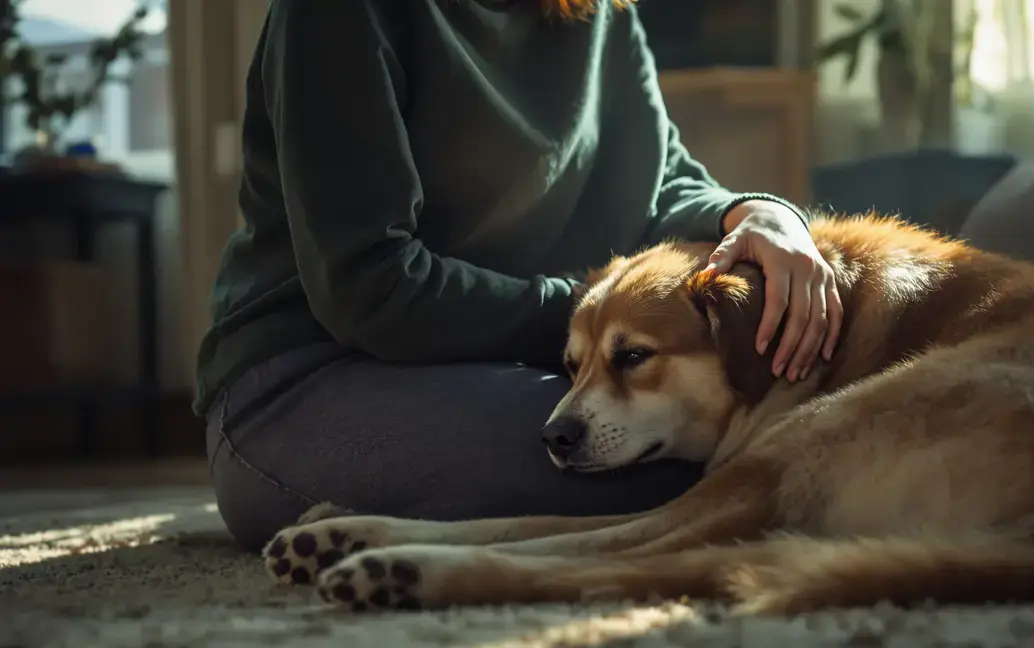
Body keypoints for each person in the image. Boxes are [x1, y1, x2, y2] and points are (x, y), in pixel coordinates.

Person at [198, 0, 844, 550]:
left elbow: (659, 185)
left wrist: (762, 216)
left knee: (735, 426)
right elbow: (371, 287)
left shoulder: (597, 11)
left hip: (493, 363)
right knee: (695, 463)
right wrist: (595, 311)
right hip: (300, 382)